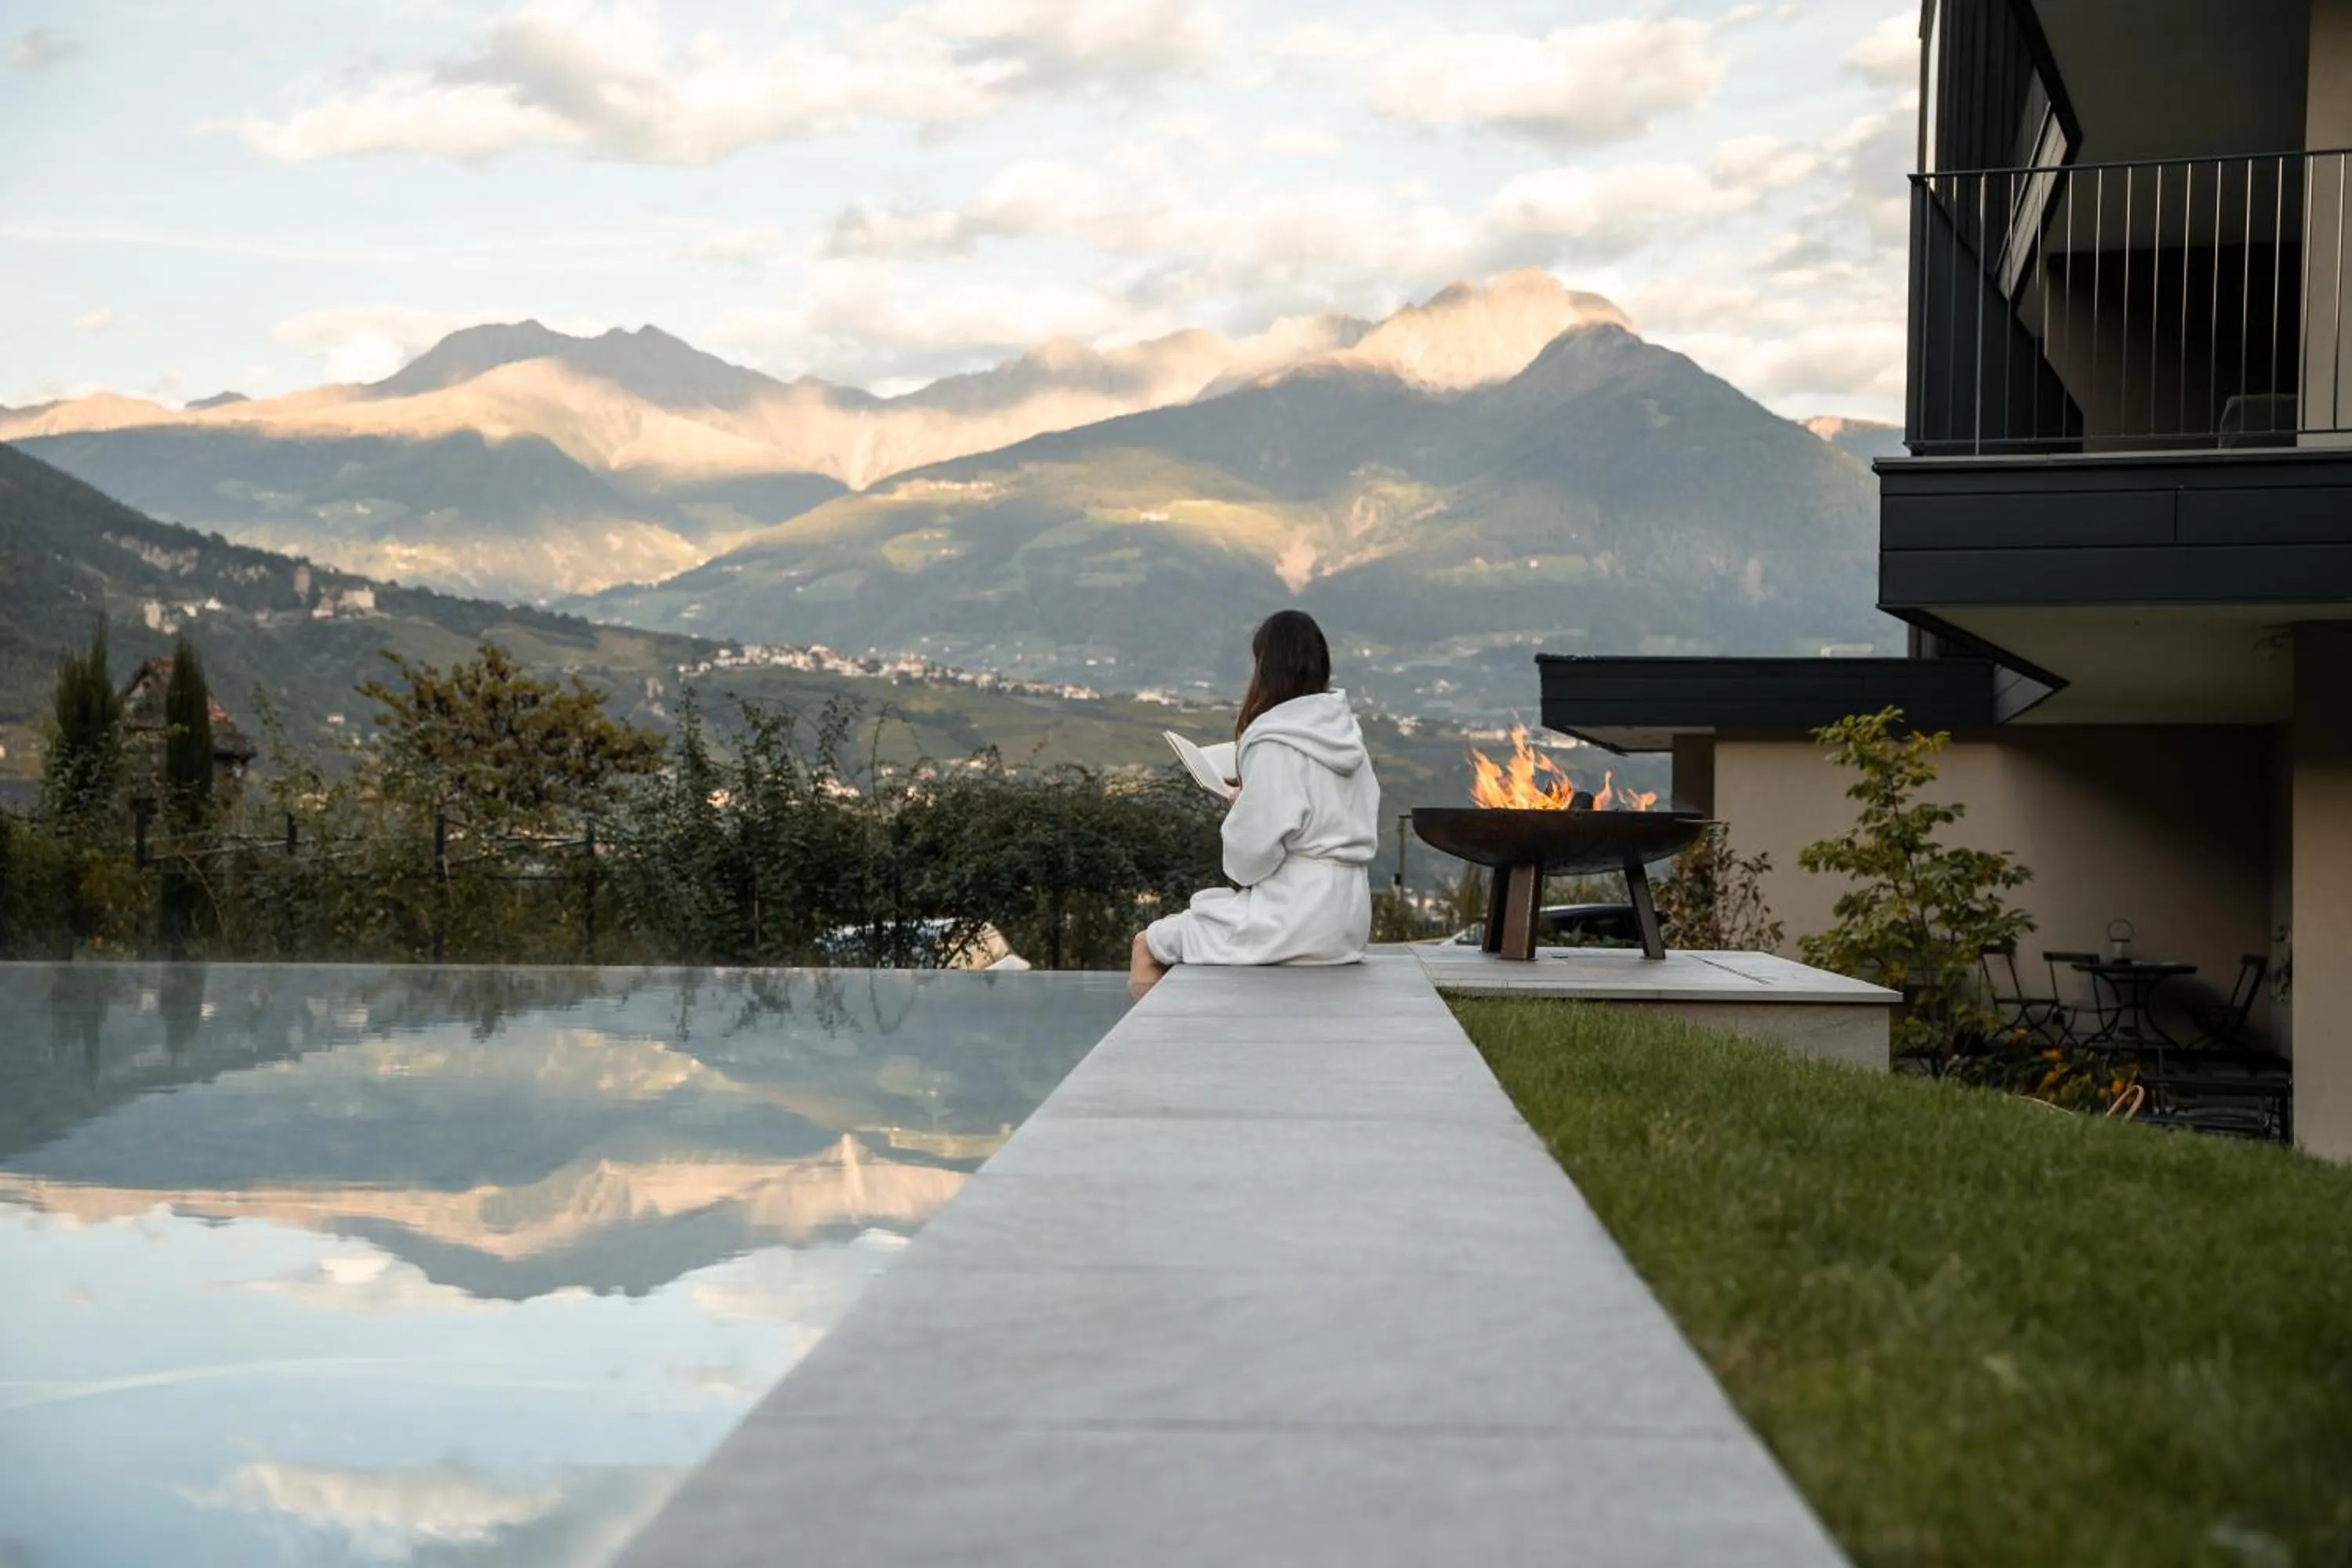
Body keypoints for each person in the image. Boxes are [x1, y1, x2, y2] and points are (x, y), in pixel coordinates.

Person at [1130, 610, 1380, 1000]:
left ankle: (1151, 1054)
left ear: (1265, 667)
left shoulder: (1274, 742)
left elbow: (1247, 863)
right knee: (1202, 921)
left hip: (1294, 919)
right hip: (1348, 922)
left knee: (1150, 943)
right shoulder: (1348, 741)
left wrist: (1239, 809)